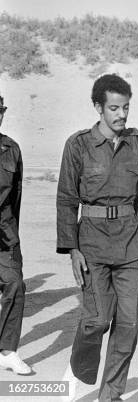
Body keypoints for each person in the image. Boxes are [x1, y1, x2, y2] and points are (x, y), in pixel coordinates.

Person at [56, 74, 138, 401]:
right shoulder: (78, 145)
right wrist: (72, 248)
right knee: (96, 321)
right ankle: (79, 365)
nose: (121, 115)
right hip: (93, 245)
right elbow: (67, 199)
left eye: (126, 107)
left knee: (128, 325)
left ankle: (110, 395)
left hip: (130, 245)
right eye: (114, 108)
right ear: (99, 107)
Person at [0, 94, 32, 376]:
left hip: (4, 234)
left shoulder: (11, 149)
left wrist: (13, 234)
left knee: (15, 286)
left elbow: (16, 197)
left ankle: (7, 352)